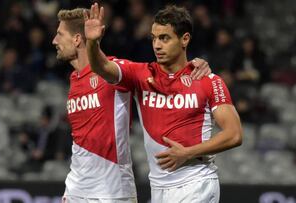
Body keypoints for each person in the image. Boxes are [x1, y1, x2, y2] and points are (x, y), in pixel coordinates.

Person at [84, 3, 243, 203]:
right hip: (158, 188)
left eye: (165, 38)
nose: (157, 45)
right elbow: (102, 67)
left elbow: (234, 134)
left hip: (196, 183)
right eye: (154, 38)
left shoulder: (208, 81)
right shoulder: (141, 75)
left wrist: (187, 153)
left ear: (184, 39)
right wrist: (92, 43)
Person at [53, 7, 211, 203]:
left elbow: (164, 72)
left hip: (112, 191)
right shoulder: (74, 79)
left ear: (77, 39)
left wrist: (194, 66)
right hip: (76, 188)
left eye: (59, 34)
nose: (54, 41)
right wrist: (71, 190)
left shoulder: (114, 73)